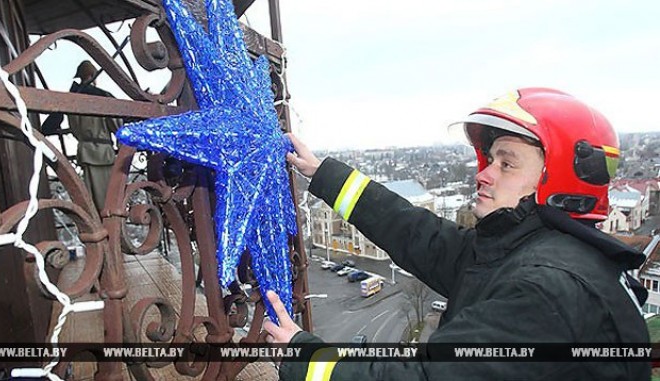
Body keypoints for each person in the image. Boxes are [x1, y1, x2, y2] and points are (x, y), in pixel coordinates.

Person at [263, 88, 651, 380]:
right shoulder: (533, 252)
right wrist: (324, 174)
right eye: (490, 159)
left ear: (558, 180)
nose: (483, 174)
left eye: (507, 164)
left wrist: (303, 357)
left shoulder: (544, 291)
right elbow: (416, 234)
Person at [42, 60, 121, 210]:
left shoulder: (71, 98)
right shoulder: (102, 97)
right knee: (109, 202)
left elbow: (51, 123)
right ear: (92, 76)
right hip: (103, 154)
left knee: (92, 202)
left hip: (85, 152)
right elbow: (117, 125)